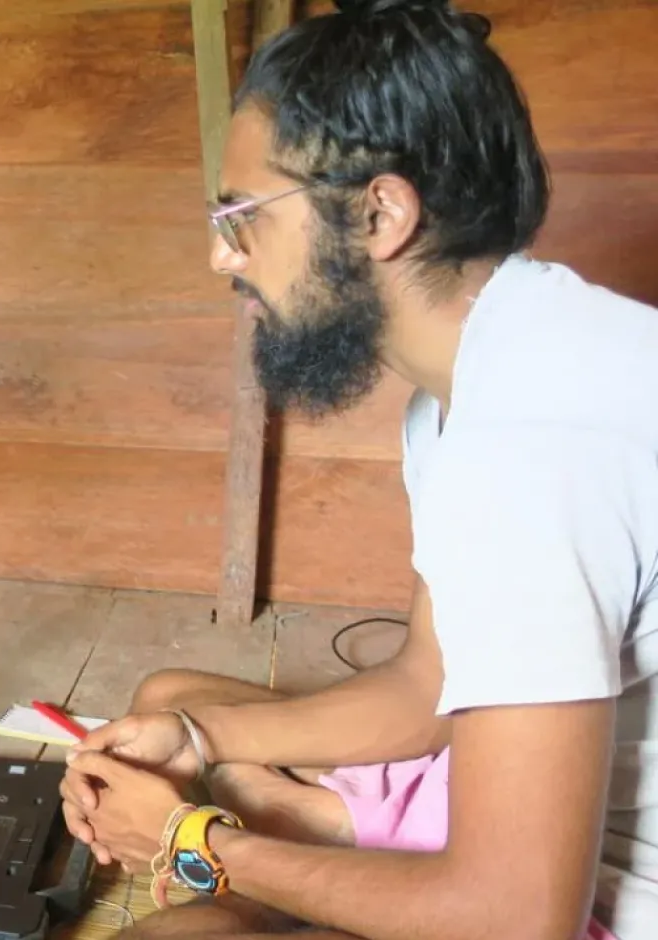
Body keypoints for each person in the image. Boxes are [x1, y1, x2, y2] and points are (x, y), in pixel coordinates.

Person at [59, 1, 658, 938]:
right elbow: (428, 687)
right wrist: (201, 739)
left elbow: (514, 921)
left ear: (380, 211)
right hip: (534, 834)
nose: (222, 255)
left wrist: (191, 839)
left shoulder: (532, 446)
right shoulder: (495, 371)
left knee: (179, 933)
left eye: (241, 216)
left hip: (580, 899)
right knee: (171, 704)